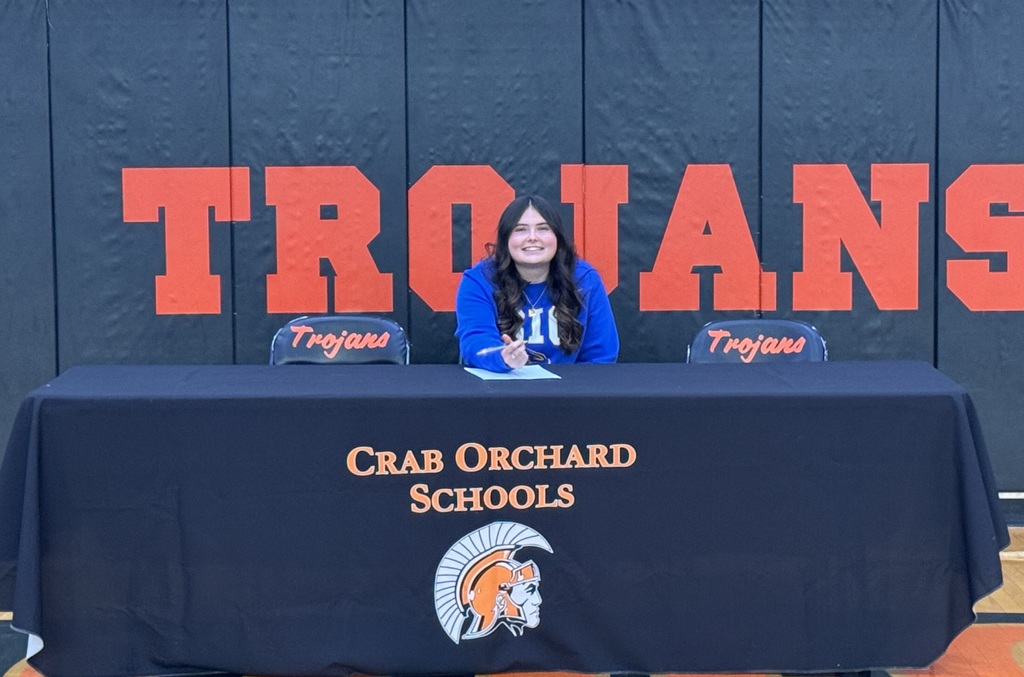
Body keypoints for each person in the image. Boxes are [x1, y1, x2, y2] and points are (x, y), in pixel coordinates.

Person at [455, 195, 619, 371]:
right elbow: (475, 340)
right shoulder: (479, 280)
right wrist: (502, 357)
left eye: (543, 228)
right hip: (500, 388)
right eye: (520, 230)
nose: (532, 237)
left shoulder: (585, 279)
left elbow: (601, 354)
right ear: (506, 239)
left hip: (567, 392)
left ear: (557, 237)